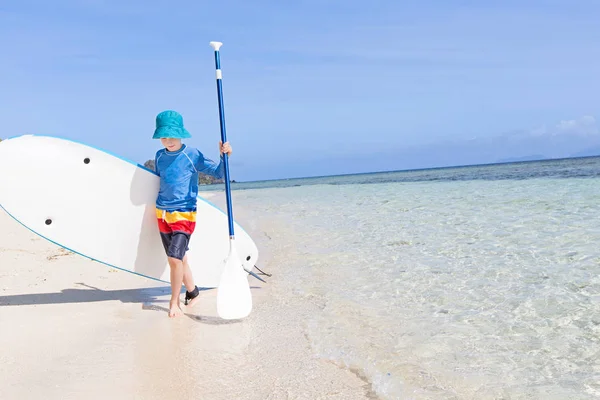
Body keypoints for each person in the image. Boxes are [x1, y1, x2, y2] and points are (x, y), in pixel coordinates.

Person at [152, 110, 232, 318]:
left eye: (171, 135)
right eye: (163, 136)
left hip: (184, 214)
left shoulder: (192, 154)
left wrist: (224, 157)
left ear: (180, 134)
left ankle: (174, 302)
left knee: (174, 259)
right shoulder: (159, 156)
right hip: (162, 213)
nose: (167, 140)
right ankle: (193, 292)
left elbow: (219, 173)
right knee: (180, 259)